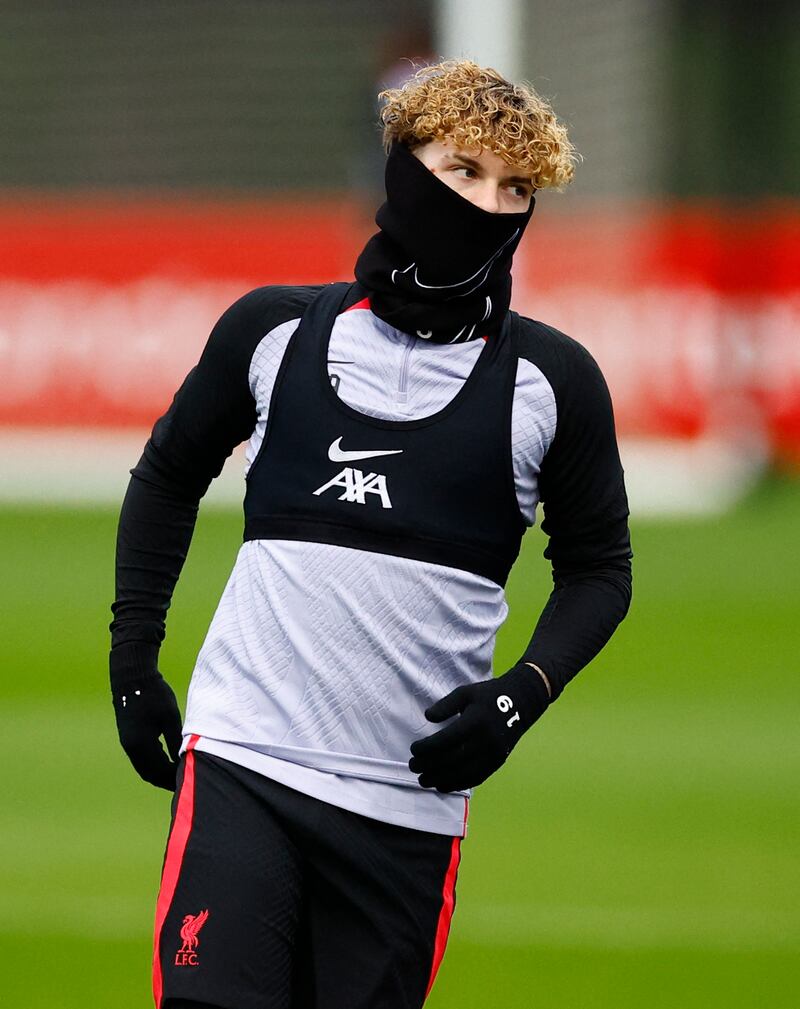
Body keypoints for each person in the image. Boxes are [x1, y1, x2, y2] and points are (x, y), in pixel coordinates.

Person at [110, 59, 632, 1009]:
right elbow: (167, 475)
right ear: (402, 168)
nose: (489, 202)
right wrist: (134, 660)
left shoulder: (554, 383)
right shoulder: (273, 332)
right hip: (244, 766)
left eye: (515, 188)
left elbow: (600, 570)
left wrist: (521, 695)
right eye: (462, 170)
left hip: (404, 813)